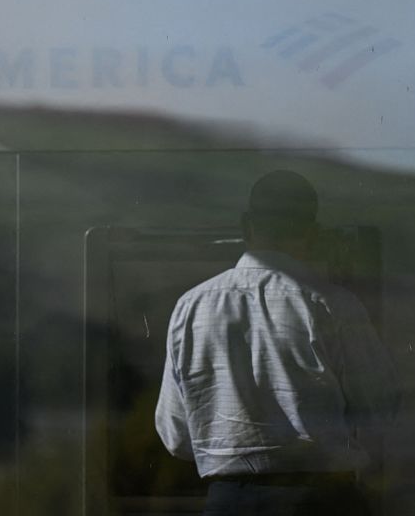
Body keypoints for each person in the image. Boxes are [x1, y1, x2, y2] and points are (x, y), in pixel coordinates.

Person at [155, 170, 399, 515]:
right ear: (313, 233)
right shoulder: (332, 305)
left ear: (245, 225)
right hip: (318, 500)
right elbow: (378, 407)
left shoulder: (190, 307)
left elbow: (176, 436)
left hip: (229, 501)